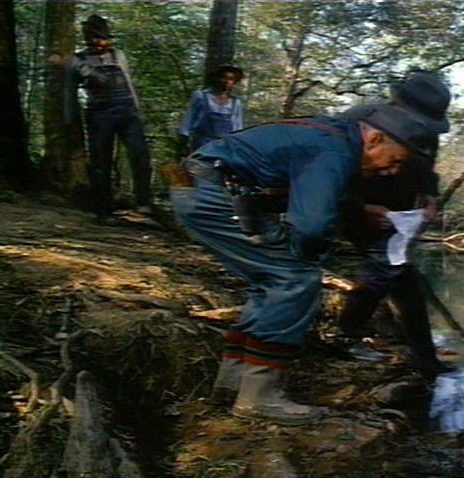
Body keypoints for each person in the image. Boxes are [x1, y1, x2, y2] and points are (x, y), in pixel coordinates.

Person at [169, 94, 446, 425]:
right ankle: (260, 397)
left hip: (200, 189)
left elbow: (311, 190)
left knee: (270, 282)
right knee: (296, 280)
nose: (392, 170)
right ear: (373, 138)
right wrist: (310, 261)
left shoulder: (335, 135)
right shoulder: (335, 151)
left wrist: (358, 210)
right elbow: (311, 225)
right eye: (396, 160)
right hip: (213, 196)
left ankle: (232, 384)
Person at [336, 70, 455, 381]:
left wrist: (430, 195)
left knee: (405, 279)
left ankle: (424, 357)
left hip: (401, 213)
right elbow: (330, 173)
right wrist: (357, 208)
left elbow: (428, 170)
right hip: (361, 206)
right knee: (384, 269)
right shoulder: (359, 120)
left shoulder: (427, 133)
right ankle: (344, 337)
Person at [64, 15, 153, 225]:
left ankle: (144, 201)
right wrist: (71, 120)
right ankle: (104, 211)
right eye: (93, 38)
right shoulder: (78, 60)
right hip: (99, 114)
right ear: (86, 39)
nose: (97, 42)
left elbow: (128, 82)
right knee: (100, 163)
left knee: (140, 153)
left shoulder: (118, 55)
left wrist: (136, 108)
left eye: (101, 38)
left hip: (127, 112)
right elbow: (69, 93)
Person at [176, 64, 244, 157]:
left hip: (224, 145)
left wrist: (237, 145)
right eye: (224, 78)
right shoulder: (201, 96)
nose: (227, 81)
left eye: (231, 79)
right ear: (216, 78)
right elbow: (188, 118)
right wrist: (183, 140)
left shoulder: (235, 102)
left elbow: (237, 126)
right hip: (202, 143)